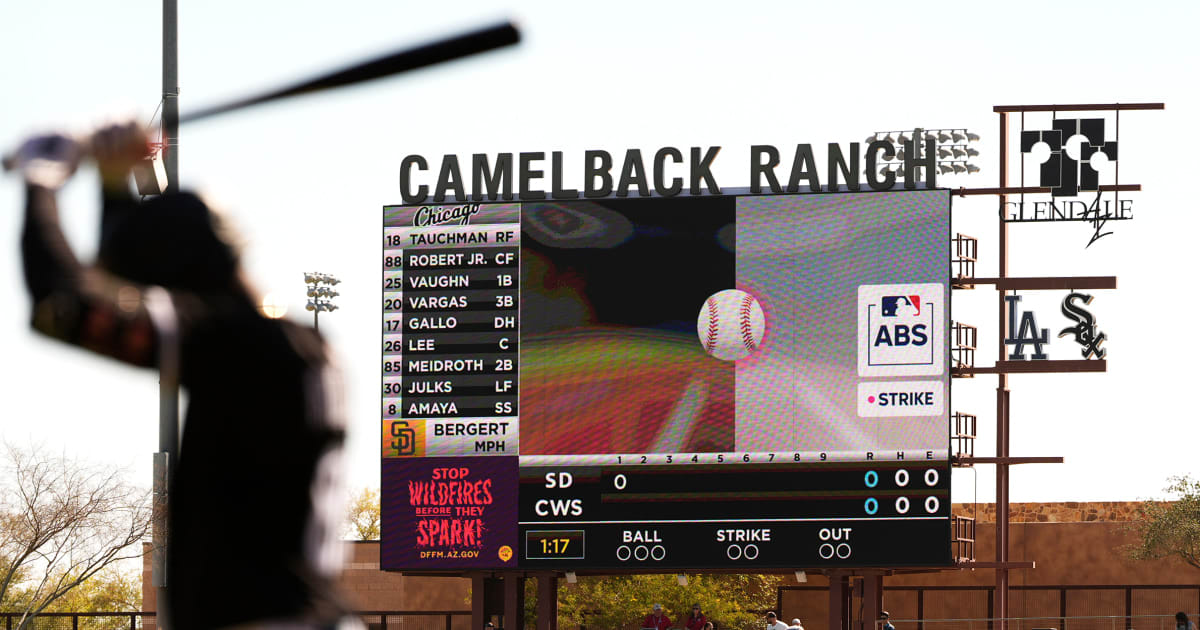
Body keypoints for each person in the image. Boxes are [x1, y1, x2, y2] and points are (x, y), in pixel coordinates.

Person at [14, 122, 352, 630]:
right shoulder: (290, 344)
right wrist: (116, 178)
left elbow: (61, 304)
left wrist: (42, 180)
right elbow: (137, 268)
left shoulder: (242, 345)